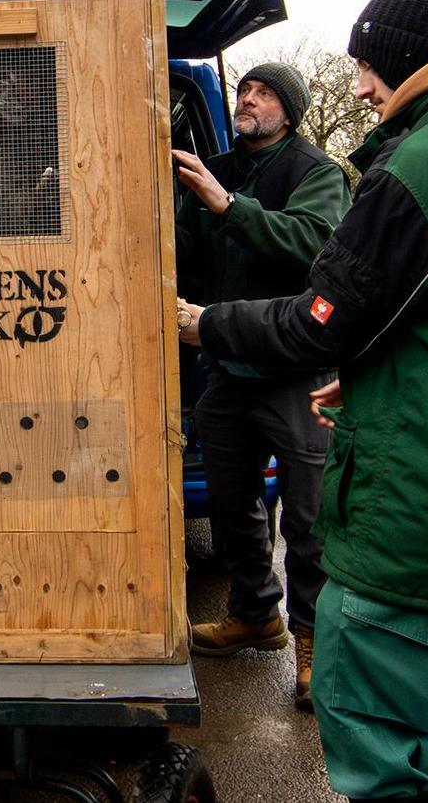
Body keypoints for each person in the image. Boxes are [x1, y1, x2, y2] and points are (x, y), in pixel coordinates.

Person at [178, 0, 428, 803]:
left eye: (367, 65)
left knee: (374, 729)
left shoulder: (416, 168)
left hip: (415, 513)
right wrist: (375, 379)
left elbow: (322, 319)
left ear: (406, 59)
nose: (358, 86)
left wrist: (202, 323)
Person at [171, 62, 349, 710]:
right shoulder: (214, 166)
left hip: (297, 368)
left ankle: (315, 643)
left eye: (265, 93)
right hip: (227, 366)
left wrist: (227, 204)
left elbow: (313, 246)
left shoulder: (316, 173)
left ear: (289, 110)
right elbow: (184, 250)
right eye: (244, 89)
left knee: (308, 517)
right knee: (230, 500)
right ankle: (254, 613)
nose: (249, 98)